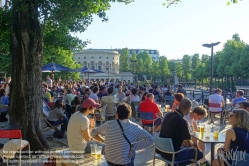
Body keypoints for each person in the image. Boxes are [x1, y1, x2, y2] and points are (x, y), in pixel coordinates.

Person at [158, 98, 203, 166]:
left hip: (161, 150)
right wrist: (195, 145)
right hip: (173, 155)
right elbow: (188, 143)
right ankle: (176, 164)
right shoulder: (182, 121)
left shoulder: (168, 115)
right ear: (188, 109)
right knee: (199, 154)